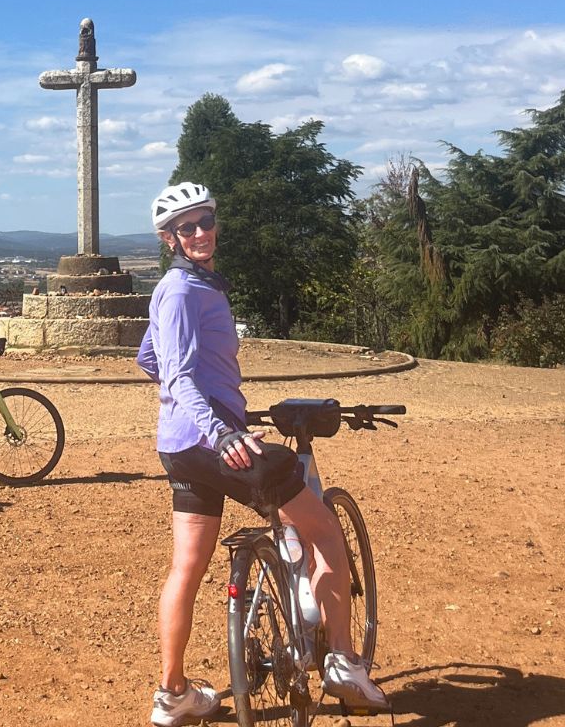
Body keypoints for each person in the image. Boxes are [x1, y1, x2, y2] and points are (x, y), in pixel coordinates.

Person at [137, 182, 388, 725]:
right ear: (169, 238)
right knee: (323, 530)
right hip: (211, 442)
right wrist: (221, 427)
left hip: (181, 446)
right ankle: (344, 660)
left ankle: (173, 694)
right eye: (187, 227)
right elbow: (176, 374)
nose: (201, 233)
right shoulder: (183, 290)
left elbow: (149, 359)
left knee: (187, 566)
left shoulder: (193, 287)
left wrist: (216, 402)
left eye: (206, 221)